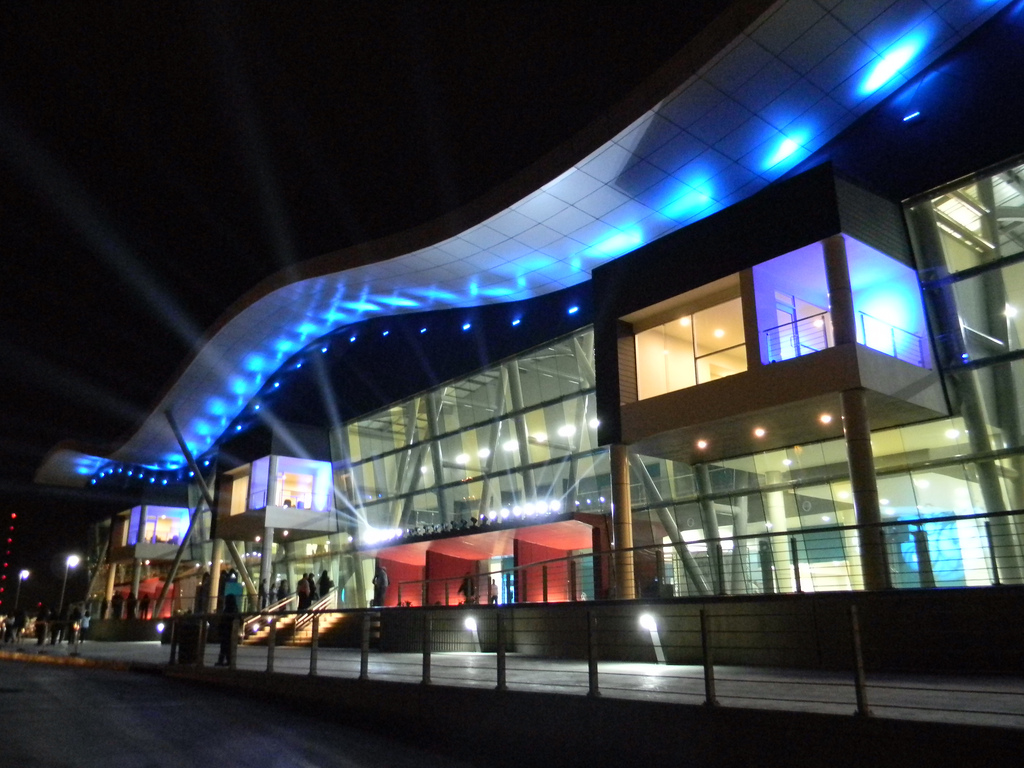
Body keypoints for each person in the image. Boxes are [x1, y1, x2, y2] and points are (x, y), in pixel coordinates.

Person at [215, 593, 239, 667]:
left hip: (226, 629)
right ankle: (228, 661)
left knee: (224, 646)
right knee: (227, 647)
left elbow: (224, 619)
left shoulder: (228, 609)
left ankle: (222, 661)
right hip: (230, 630)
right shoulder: (235, 609)